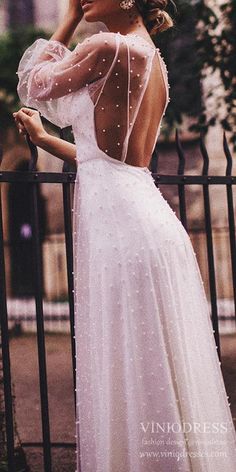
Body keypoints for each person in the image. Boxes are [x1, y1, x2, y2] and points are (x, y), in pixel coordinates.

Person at [13, 1, 236, 471]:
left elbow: (35, 84)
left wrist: (70, 16)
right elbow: (104, 161)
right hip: (143, 219)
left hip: (121, 233)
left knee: (129, 360)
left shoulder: (106, 45)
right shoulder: (151, 58)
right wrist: (44, 140)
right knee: (152, 360)